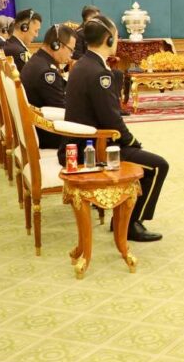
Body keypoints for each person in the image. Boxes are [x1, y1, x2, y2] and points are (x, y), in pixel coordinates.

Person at [57, 15, 169, 243]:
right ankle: (130, 223)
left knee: (145, 159)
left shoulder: (82, 64)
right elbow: (112, 122)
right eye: (116, 35)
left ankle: (123, 219)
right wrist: (133, 142)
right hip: (93, 149)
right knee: (158, 166)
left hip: (79, 143)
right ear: (108, 39)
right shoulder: (100, 73)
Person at [20, 23, 77, 149]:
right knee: (96, 131)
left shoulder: (37, 61)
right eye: (71, 50)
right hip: (47, 134)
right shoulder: (47, 73)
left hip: (36, 128)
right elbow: (62, 110)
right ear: (57, 45)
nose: (71, 55)